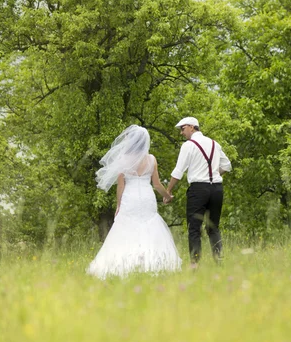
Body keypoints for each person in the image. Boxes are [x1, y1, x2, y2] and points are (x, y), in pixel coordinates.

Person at [87, 125, 182, 279]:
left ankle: (124, 264)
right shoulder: (151, 159)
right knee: (149, 225)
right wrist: (167, 196)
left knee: (126, 225)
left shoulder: (123, 159)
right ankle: (152, 263)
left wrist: (119, 205)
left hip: (130, 197)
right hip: (146, 197)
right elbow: (157, 184)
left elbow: (121, 185)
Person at [165, 116, 231, 268]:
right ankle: (219, 263)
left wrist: (168, 191)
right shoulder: (215, 143)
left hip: (198, 190)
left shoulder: (188, 145)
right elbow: (227, 165)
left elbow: (178, 171)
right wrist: (213, 176)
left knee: (194, 229)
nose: (182, 133)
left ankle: (195, 266)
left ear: (191, 127)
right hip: (216, 189)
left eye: (182, 129)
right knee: (213, 228)